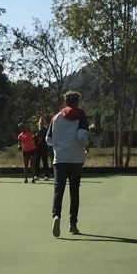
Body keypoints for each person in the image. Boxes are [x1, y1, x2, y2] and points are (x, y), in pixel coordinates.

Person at [50, 90, 90, 237]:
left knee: (58, 190)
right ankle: (73, 225)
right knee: (74, 192)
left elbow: (49, 139)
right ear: (77, 102)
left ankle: (56, 216)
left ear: (65, 101)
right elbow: (81, 135)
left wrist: (59, 144)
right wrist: (86, 145)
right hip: (75, 159)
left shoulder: (56, 118)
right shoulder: (81, 115)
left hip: (59, 159)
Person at [35, 116, 52, 181]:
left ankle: (46, 175)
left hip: (44, 148)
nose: (41, 122)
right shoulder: (36, 131)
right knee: (37, 162)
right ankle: (36, 175)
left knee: (45, 162)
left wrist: (46, 124)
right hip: (37, 149)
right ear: (38, 123)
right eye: (40, 121)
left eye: (42, 121)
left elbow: (49, 128)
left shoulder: (46, 130)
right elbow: (34, 140)